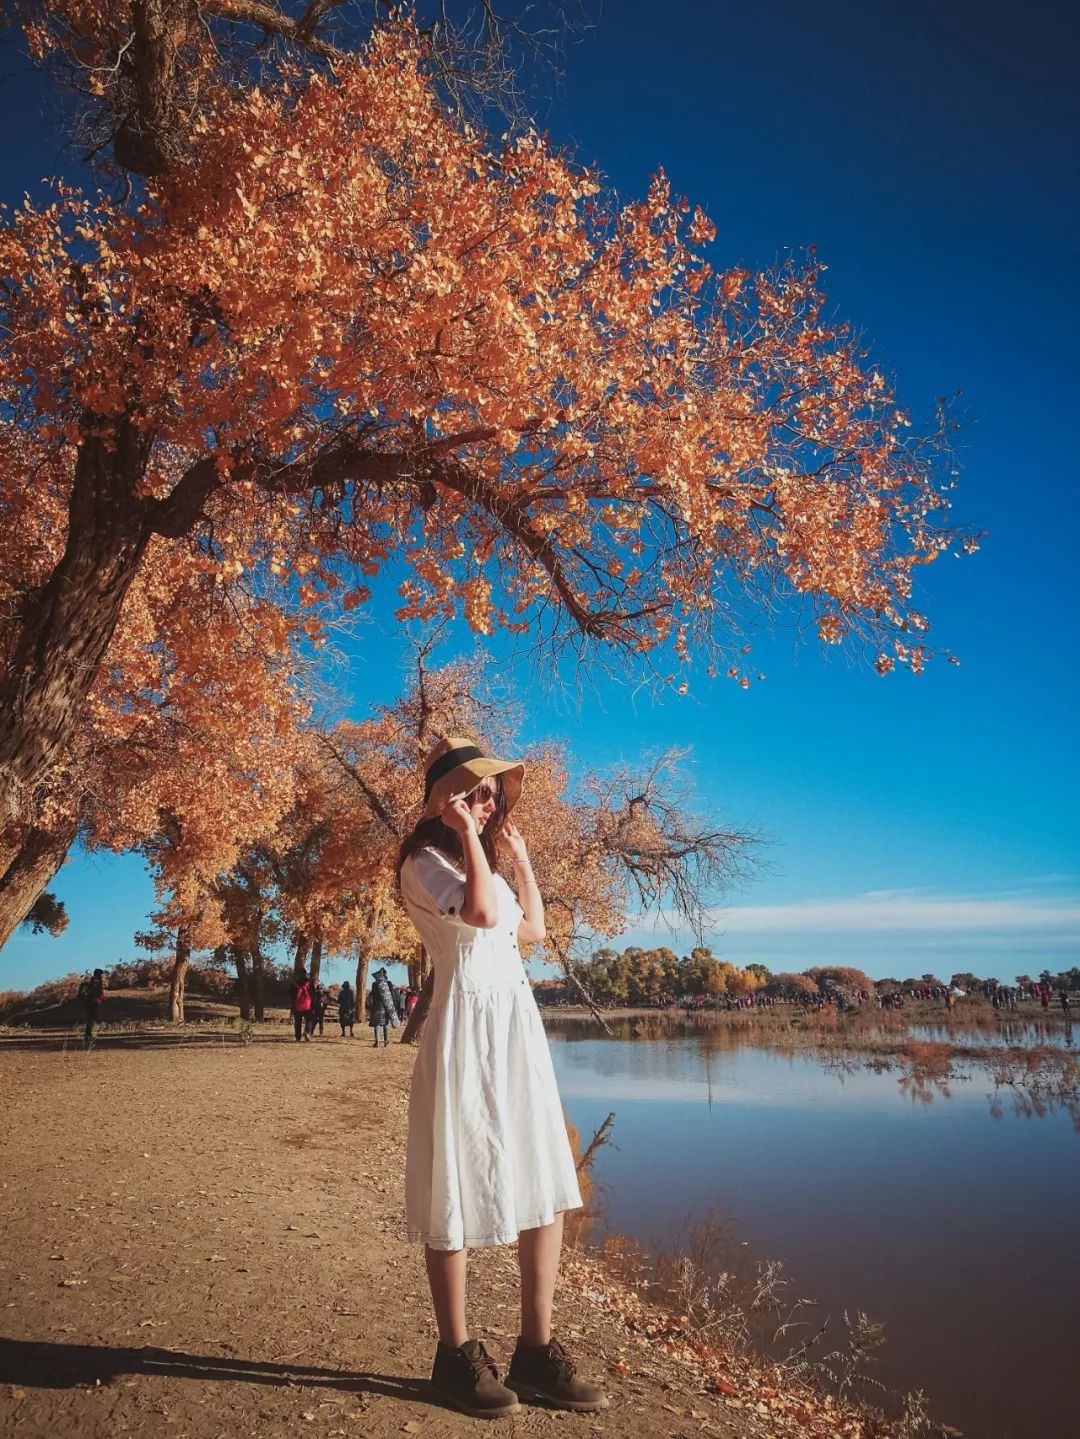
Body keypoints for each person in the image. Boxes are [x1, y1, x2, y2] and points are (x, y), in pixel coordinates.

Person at [398, 735, 607, 1419]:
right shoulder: (424, 862)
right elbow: (482, 914)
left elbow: (532, 930)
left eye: (491, 795)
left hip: (514, 1032)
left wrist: (520, 858)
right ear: (445, 800)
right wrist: (469, 836)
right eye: (475, 793)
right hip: (464, 1034)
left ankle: (535, 1351)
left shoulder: (481, 860)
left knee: (543, 1178)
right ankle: (455, 1354)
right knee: (454, 1184)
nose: (488, 804)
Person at [369, 967, 399, 1047]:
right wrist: (393, 1005)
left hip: (376, 1006)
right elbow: (392, 995)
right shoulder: (389, 983)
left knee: (377, 1024)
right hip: (386, 1006)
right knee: (385, 1023)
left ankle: (377, 1041)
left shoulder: (374, 984)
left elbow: (372, 995)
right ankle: (386, 1041)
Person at [78, 968, 107, 1049]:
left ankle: (88, 1034)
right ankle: (88, 1035)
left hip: (90, 1001)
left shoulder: (94, 980)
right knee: (91, 1018)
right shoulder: (96, 981)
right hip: (93, 1002)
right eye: (101, 974)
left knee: (90, 1018)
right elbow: (96, 991)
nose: (102, 975)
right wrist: (97, 999)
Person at [290, 968, 313, 1042]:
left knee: (298, 1022)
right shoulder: (309, 983)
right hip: (307, 1005)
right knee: (309, 1019)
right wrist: (313, 1005)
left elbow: (291, 994)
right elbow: (313, 994)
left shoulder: (294, 984)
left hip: (297, 1005)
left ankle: (298, 1037)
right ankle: (307, 1031)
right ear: (305, 974)